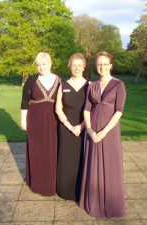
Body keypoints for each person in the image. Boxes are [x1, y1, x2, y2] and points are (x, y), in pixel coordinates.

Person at [79, 51, 127, 217]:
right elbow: (86, 109)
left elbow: (119, 112)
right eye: (99, 64)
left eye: (105, 63)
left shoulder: (119, 85)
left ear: (111, 65)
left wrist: (103, 132)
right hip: (92, 131)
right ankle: (93, 201)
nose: (102, 67)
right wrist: (91, 131)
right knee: (93, 164)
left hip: (110, 131)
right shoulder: (92, 86)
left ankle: (112, 204)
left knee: (110, 165)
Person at [20, 52, 61, 196]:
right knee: (38, 151)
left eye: (44, 64)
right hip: (35, 121)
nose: (41, 67)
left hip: (55, 121)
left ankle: (53, 183)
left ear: (50, 64)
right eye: (38, 65)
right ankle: (38, 183)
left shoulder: (60, 80)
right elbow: (25, 101)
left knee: (53, 151)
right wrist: (23, 120)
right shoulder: (31, 80)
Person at [56, 53, 89, 201]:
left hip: (83, 128)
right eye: (74, 65)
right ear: (69, 66)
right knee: (66, 158)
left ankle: (80, 190)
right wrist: (70, 127)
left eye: (79, 65)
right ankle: (64, 190)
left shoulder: (90, 86)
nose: (76, 68)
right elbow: (58, 109)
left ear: (84, 67)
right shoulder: (62, 85)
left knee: (82, 159)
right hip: (66, 128)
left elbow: (91, 109)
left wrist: (81, 127)